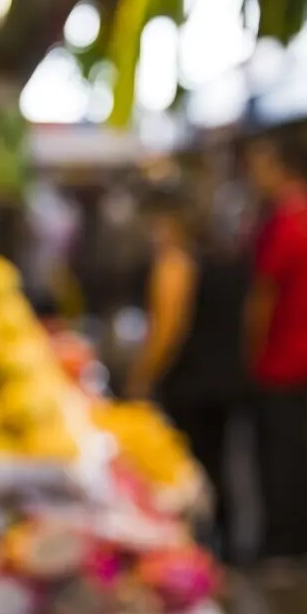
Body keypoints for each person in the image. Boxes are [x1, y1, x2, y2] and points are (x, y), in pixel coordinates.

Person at [128, 187, 250, 560]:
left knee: (190, 469)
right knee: (218, 462)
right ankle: (226, 544)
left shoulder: (176, 262)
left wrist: (142, 376)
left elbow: (168, 328)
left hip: (191, 383)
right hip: (225, 378)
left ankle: (200, 550)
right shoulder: (225, 257)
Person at [244, 136, 307, 583]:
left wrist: (249, 351)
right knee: (306, 452)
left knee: (278, 456)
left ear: (282, 168)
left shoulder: (285, 223)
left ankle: (279, 546)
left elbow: (263, 295)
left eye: (261, 165)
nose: (254, 175)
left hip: (280, 359)